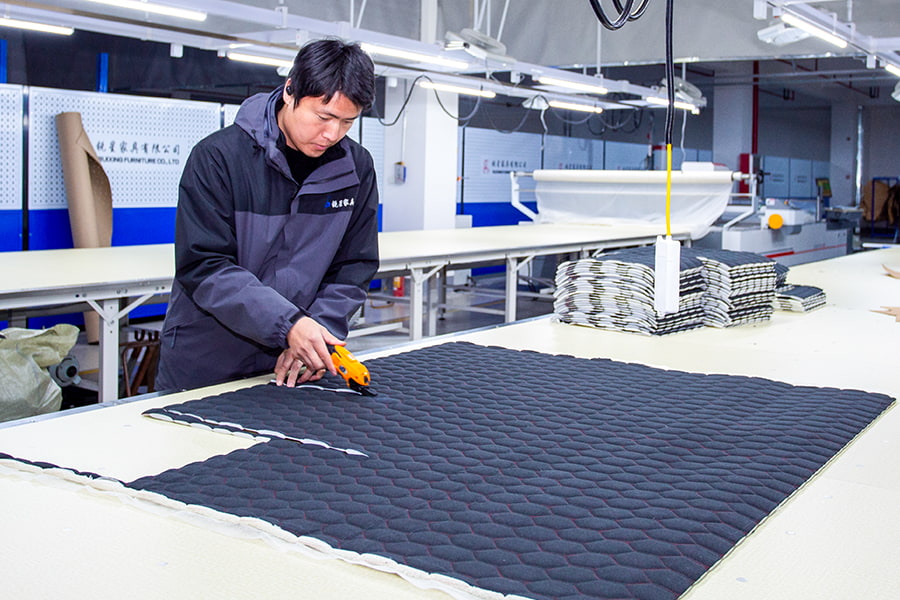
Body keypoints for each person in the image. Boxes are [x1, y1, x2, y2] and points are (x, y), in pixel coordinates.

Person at [155, 39, 379, 391]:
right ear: (290, 91)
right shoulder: (219, 158)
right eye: (323, 117)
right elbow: (204, 265)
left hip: (296, 364)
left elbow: (354, 265)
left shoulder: (356, 169)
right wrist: (289, 324)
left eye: (347, 122)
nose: (332, 134)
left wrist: (315, 333)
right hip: (207, 360)